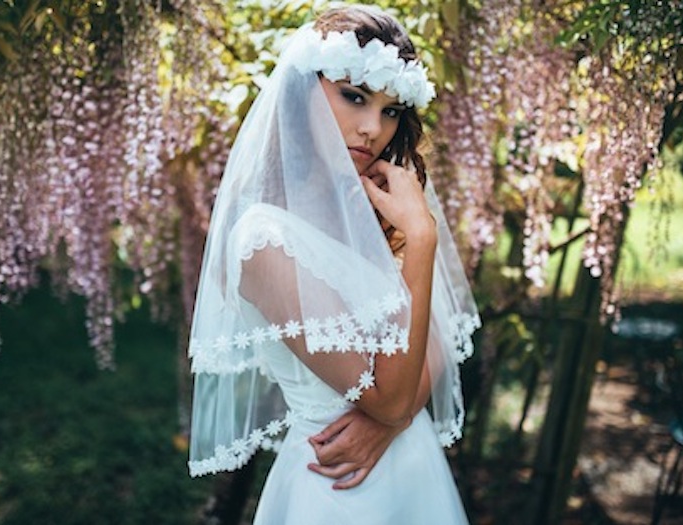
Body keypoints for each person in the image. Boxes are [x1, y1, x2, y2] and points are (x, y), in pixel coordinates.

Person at [187, 4, 480, 524]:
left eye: (392, 111)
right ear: (303, 92)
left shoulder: (375, 208)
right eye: (355, 96)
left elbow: (434, 336)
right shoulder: (263, 238)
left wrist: (387, 424)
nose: (373, 129)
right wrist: (420, 239)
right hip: (340, 489)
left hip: (412, 474)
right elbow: (387, 396)